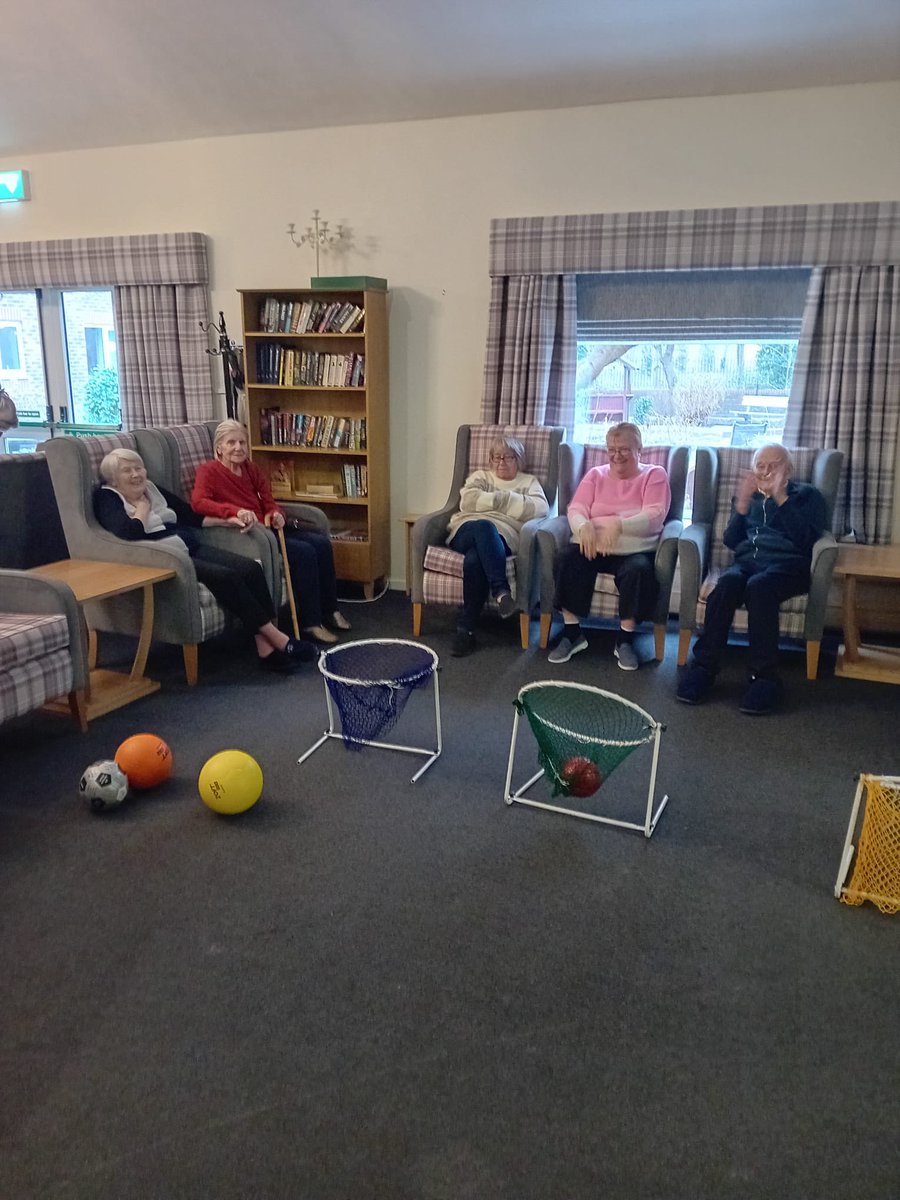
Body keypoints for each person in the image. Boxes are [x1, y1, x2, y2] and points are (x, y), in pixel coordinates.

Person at [95, 448, 316, 673]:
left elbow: (190, 515)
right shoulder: (107, 497)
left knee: (250, 568)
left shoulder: (151, 488)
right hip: (164, 556)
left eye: (138, 468)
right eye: (127, 471)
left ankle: (265, 650)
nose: (136, 474)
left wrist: (227, 521)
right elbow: (128, 533)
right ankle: (279, 640)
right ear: (113, 478)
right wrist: (142, 508)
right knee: (227, 576)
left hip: (187, 544)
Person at [677, 443, 827, 715]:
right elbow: (732, 541)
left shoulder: (807, 495)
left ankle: (765, 679)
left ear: (789, 469)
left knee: (760, 587)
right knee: (725, 586)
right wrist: (743, 505)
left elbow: (807, 541)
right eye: (761, 466)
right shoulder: (750, 498)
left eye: (774, 466)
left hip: (789, 566)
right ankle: (704, 668)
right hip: (747, 564)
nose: (766, 472)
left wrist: (781, 498)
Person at [192, 420, 349, 644]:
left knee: (321, 544)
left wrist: (277, 514)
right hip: (248, 536)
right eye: (231, 443)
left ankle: (330, 609)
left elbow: (269, 501)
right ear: (219, 447)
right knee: (304, 552)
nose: (238, 448)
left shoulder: (251, 469)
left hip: (268, 527)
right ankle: (310, 623)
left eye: (242, 442)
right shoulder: (208, 471)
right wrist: (234, 512)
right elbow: (199, 503)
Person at [548, 422, 670, 670]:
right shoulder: (596, 474)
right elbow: (577, 508)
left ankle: (625, 640)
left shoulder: (654, 474)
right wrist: (583, 526)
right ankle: (572, 633)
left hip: (634, 548)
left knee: (638, 571)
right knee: (565, 559)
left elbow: (655, 514)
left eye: (624, 449)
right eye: (611, 449)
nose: (616, 455)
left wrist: (621, 525)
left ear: (639, 449)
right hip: (593, 546)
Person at [446, 435, 549, 657]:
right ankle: (501, 591)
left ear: (519, 459)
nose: (501, 462)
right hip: (467, 529)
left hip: (505, 537)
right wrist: (510, 501)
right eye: (496, 457)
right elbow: (468, 502)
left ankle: (466, 631)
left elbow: (539, 509)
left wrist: (493, 499)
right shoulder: (480, 476)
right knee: (484, 525)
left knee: (475, 560)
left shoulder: (529, 482)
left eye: (508, 457)